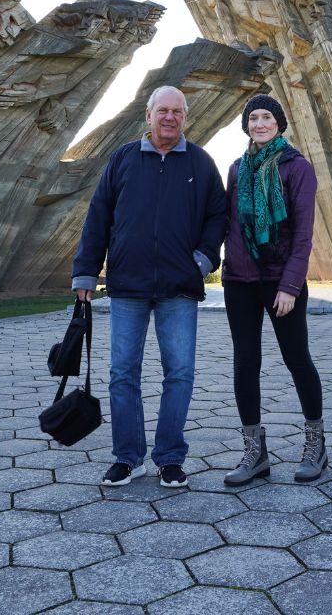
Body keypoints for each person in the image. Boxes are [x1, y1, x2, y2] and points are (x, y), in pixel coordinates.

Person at [72, 85, 225, 488]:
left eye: (177, 111)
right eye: (163, 111)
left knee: (180, 374)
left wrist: (203, 260)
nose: (170, 117)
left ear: (185, 118)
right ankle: (128, 457)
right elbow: (98, 216)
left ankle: (170, 458)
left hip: (179, 287)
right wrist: (86, 272)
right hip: (127, 285)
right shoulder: (122, 158)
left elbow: (217, 217)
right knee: (123, 374)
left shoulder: (201, 162)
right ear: (149, 114)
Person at [222, 94, 326, 486]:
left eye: (267, 117)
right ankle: (255, 452)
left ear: (279, 124)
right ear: (247, 125)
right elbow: (229, 223)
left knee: (297, 358)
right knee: (245, 363)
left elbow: (303, 234)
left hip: (282, 282)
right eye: (253, 117)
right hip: (240, 281)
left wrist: (291, 285)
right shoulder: (237, 169)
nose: (260, 123)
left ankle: (316, 444)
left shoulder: (298, 168)